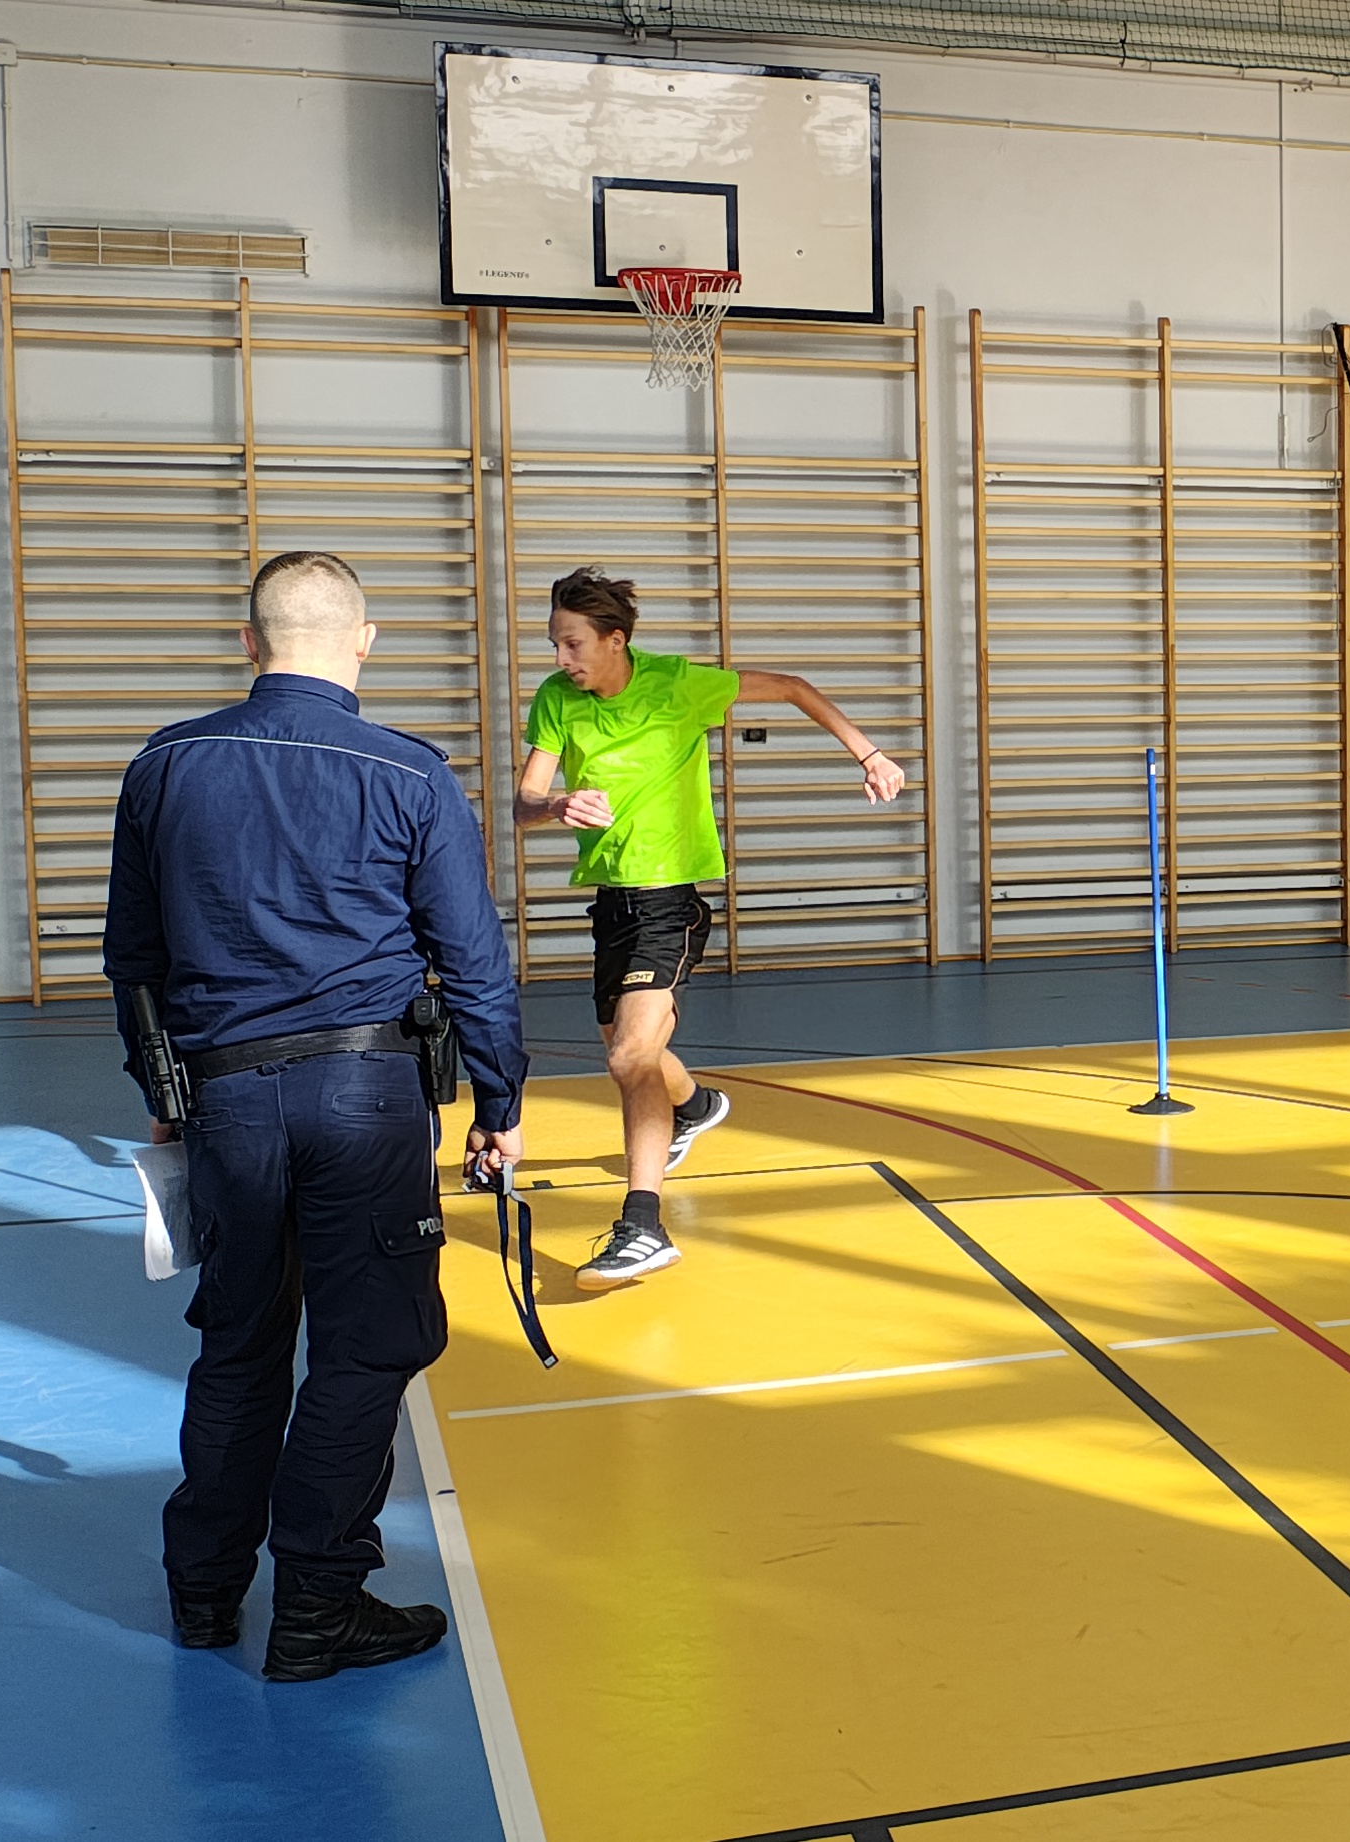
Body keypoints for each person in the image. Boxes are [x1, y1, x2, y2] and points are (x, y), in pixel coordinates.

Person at [105, 550, 526, 1683]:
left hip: (225, 1099)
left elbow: (132, 960)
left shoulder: (164, 765)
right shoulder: (410, 774)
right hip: (365, 1100)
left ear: (251, 643)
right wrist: (499, 1101)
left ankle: (203, 1594)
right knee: (366, 1347)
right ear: (365, 641)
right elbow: (473, 963)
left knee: (238, 1344)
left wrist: (161, 1096)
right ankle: (318, 1608)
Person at [514, 566, 907, 1287]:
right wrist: (554, 806)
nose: (562, 658)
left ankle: (642, 1225)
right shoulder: (556, 699)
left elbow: (792, 687)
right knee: (633, 1051)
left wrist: (869, 753)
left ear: (615, 640)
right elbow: (523, 802)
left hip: (670, 901)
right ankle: (694, 1107)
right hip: (612, 903)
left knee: (629, 1057)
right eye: (555, 644)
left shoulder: (677, 685)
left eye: (573, 644)